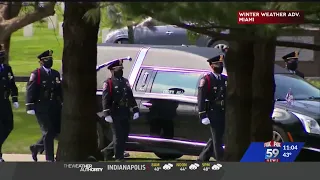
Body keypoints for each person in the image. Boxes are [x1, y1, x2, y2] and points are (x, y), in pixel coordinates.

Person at [26, 50, 62, 162]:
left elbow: (58, 90)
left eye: (50, 58)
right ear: (41, 62)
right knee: (48, 131)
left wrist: (63, 101)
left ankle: (36, 147)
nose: (49, 61)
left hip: (54, 106)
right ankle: (49, 159)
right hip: (41, 106)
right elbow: (30, 90)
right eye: (47, 59)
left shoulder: (55, 73)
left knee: (56, 130)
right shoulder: (37, 73)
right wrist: (29, 106)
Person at [102, 59, 140, 161]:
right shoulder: (109, 83)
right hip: (115, 112)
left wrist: (135, 109)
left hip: (125, 111)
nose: (120, 71)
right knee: (118, 135)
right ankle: (119, 158)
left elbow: (130, 96)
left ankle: (107, 151)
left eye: (121, 69)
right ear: (112, 70)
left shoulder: (125, 81)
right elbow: (105, 99)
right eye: (118, 69)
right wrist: (106, 114)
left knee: (124, 134)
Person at [197, 54, 227, 161]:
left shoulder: (224, 79)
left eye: (221, 64)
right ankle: (221, 160)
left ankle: (201, 159)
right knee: (217, 140)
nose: (219, 66)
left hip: (222, 111)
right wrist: (202, 114)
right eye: (217, 64)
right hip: (212, 112)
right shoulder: (207, 79)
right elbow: (201, 98)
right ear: (211, 66)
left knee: (216, 137)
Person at [0, 45, 19, 162]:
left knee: (9, 125)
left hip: (5, 101)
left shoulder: (7, 68)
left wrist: (15, 98)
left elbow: (12, 84)